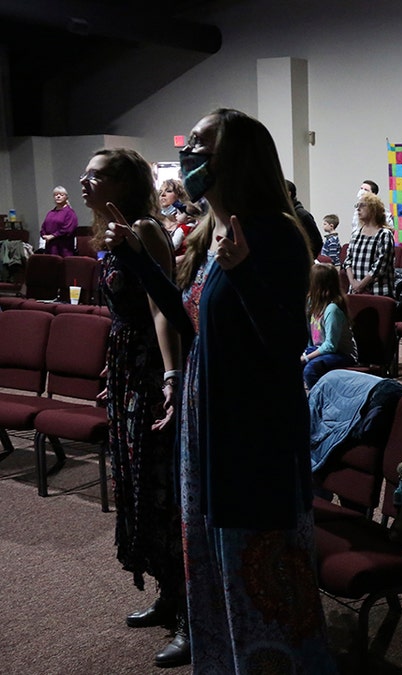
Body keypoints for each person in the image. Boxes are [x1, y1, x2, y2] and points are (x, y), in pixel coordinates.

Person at [105, 108, 335, 672]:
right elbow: (192, 329)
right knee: (215, 552)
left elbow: (285, 343)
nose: (190, 153)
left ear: (237, 156)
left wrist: (248, 272)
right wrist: (142, 266)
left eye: (204, 143)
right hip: (211, 412)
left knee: (258, 556)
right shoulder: (214, 233)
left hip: (253, 424)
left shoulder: (274, 233)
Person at [81, 148, 187, 668]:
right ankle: (169, 593)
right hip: (126, 366)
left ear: (121, 184)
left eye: (95, 174)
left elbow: (161, 310)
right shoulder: (113, 232)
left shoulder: (145, 229)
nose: (83, 180)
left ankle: (191, 611)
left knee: (162, 485)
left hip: (149, 368)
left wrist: (169, 376)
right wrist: (110, 369)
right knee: (138, 485)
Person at [302, 262, 358, 390]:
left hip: (342, 354)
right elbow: (309, 338)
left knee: (310, 370)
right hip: (321, 349)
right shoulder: (311, 304)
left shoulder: (332, 310)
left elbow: (331, 346)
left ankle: (320, 399)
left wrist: (306, 358)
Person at [344, 191, 396, 297]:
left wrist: (361, 284)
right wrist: (353, 283)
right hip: (355, 291)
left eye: (362, 205)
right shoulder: (356, 234)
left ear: (373, 209)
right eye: (357, 206)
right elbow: (348, 261)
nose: (358, 209)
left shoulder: (384, 234)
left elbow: (380, 266)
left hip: (378, 292)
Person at [287, 179, 323, 259]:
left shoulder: (302, 215)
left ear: (289, 194)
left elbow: (317, 241)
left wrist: (306, 260)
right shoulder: (287, 214)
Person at [40, 185, 78, 257]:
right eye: (56, 195)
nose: (58, 196)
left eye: (61, 195)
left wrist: (53, 236)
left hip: (63, 249)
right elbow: (44, 226)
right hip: (50, 248)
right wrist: (44, 235)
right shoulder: (50, 213)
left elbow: (68, 229)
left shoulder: (70, 212)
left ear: (66, 197)